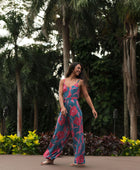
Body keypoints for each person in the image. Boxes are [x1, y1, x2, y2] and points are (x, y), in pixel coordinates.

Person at [41, 62, 98, 167]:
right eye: (78, 68)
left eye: (80, 69)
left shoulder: (80, 82)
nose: (79, 70)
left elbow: (86, 96)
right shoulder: (62, 81)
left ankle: (79, 161)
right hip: (64, 109)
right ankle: (50, 158)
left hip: (75, 110)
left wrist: (93, 109)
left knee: (78, 134)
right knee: (58, 132)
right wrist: (62, 107)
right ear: (72, 68)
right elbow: (60, 95)